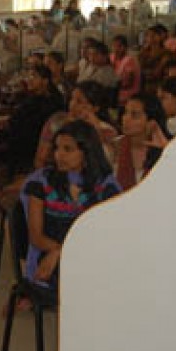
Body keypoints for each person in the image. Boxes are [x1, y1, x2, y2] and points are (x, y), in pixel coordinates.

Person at [22, 120, 121, 289]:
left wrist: (61, 252)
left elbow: (108, 235)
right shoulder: (40, 183)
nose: (59, 155)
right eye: (57, 148)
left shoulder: (105, 187)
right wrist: (58, 251)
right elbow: (36, 237)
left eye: (68, 149)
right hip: (48, 256)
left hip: (90, 255)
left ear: (87, 152)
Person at [34, 80, 119, 169]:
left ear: (95, 108)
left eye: (79, 101)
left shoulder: (107, 131)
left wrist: (95, 129)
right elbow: (40, 160)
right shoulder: (57, 121)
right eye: (72, 98)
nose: (72, 104)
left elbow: (108, 164)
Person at [6, 64, 65, 172]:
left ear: (45, 81)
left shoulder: (52, 101)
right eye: (28, 76)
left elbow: (33, 125)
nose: (29, 79)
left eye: (34, 76)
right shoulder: (33, 97)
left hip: (35, 146)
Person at [113, 93, 168, 191]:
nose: (126, 119)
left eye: (134, 115)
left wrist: (167, 150)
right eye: (126, 112)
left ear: (151, 122)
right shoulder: (115, 146)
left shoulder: (166, 149)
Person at [138, 25, 171, 95]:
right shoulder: (144, 52)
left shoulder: (166, 53)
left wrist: (146, 72)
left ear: (160, 37)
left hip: (158, 86)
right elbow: (139, 69)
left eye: (154, 35)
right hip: (144, 86)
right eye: (148, 35)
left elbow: (158, 72)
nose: (150, 37)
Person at [111, 35, 140, 106]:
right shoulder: (112, 57)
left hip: (127, 94)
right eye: (114, 46)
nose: (116, 49)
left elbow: (127, 83)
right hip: (115, 92)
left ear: (125, 47)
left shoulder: (130, 61)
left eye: (119, 46)